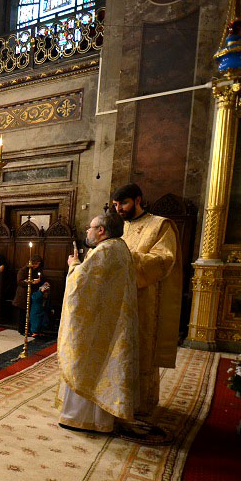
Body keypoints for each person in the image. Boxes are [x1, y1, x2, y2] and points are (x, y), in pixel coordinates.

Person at [58, 212, 139, 433]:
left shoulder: (105, 251)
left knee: (86, 363)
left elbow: (81, 285)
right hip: (110, 322)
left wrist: (74, 264)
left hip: (97, 326)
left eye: (90, 227)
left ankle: (81, 418)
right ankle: (100, 419)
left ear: (101, 230)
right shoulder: (120, 248)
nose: (88, 231)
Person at [112, 183, 182, 416]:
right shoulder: (118, 227)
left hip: (144, 300)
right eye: (115, 205)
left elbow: (164, 260)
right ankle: (114, 400)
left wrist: (124, 257)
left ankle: (139, 405)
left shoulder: (160, 225)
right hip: (117, 300)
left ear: (138, 199)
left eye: (123, 203)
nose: (119, 209)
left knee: (139, 349)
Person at [12, 255, 42, 334]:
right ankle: (22, 329)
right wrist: (32, 281)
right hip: (23, 294)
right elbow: (20, 281)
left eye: (38, 264)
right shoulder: (23, 270)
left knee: (29, 313)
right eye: (36, 264)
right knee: (23, 313)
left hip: (32, 293)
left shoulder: (36, 270)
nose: (37, 266)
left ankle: (28, 328)